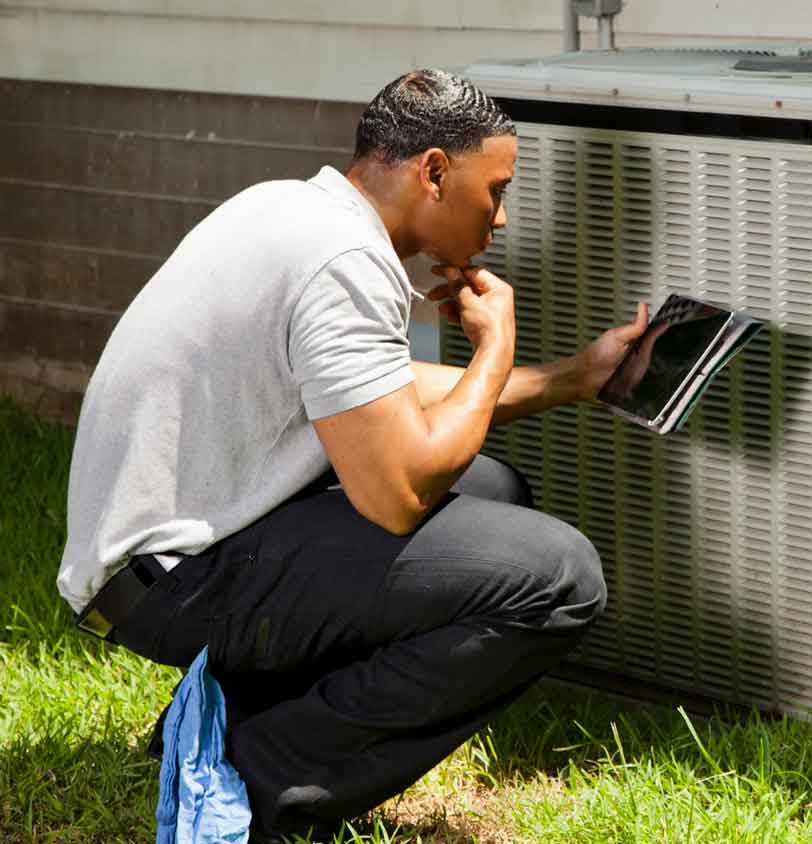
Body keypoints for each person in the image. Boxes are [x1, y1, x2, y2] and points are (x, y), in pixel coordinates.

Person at [56, 68, 648, 838]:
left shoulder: (292, 208)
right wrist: (495, 348)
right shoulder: (343, 259)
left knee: (490, 489)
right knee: (558, 576)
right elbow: (397, 493)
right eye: (495, 190)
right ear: (435, 172)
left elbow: (384, 390)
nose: (499, 219)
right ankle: (256, 775)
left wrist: (576, 377)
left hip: (162, 563)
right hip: (173, 584)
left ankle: (211, 726)